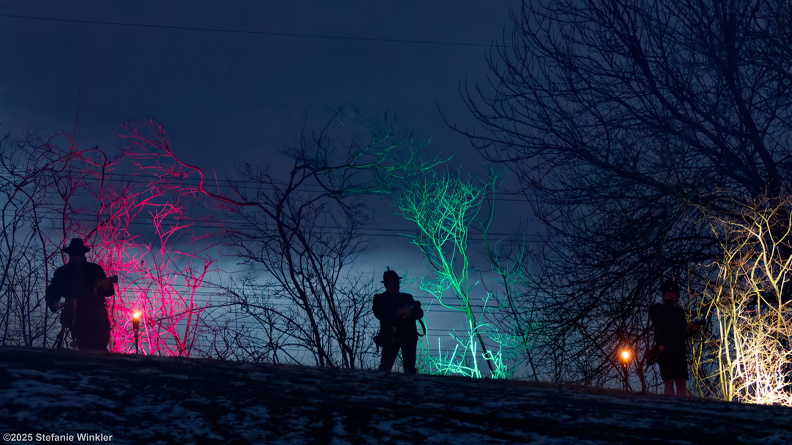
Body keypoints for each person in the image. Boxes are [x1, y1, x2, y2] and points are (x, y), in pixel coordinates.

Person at [45, 238, 115, 351]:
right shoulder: (64, 272)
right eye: (75, 254)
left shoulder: (94, 269)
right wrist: (54, 302)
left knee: (100, 342)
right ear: (71, 255)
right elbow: (54, 289)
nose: (77, 257)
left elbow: (108, 292)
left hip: (97, 313)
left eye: (79, 254)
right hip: (77, 313)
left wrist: (106, 286)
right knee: (85, 344)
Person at [648, 279, 700, 396]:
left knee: (681, 381)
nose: (676, 296)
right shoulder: (656, 309)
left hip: (678, 350)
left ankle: (680, 408)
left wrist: (691, 330)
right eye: (674, 294)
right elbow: (662, 328)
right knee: (669, 381)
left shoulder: (678, 311)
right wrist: (660, 348)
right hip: (665, 350)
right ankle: (670, 407)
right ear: (668, 294)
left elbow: (681, 332)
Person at [372, 268, 423, 374]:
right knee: (386, 366)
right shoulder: (380, 298)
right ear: (386, 284)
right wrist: (398, 312)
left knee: (410, 367)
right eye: (393, 282)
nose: (396, 284)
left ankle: (409, 388)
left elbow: (419, 313)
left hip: (408, 336)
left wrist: (410, 313)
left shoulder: (407, 297)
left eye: (397, 281)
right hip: (391, 337)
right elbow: (380, 314)